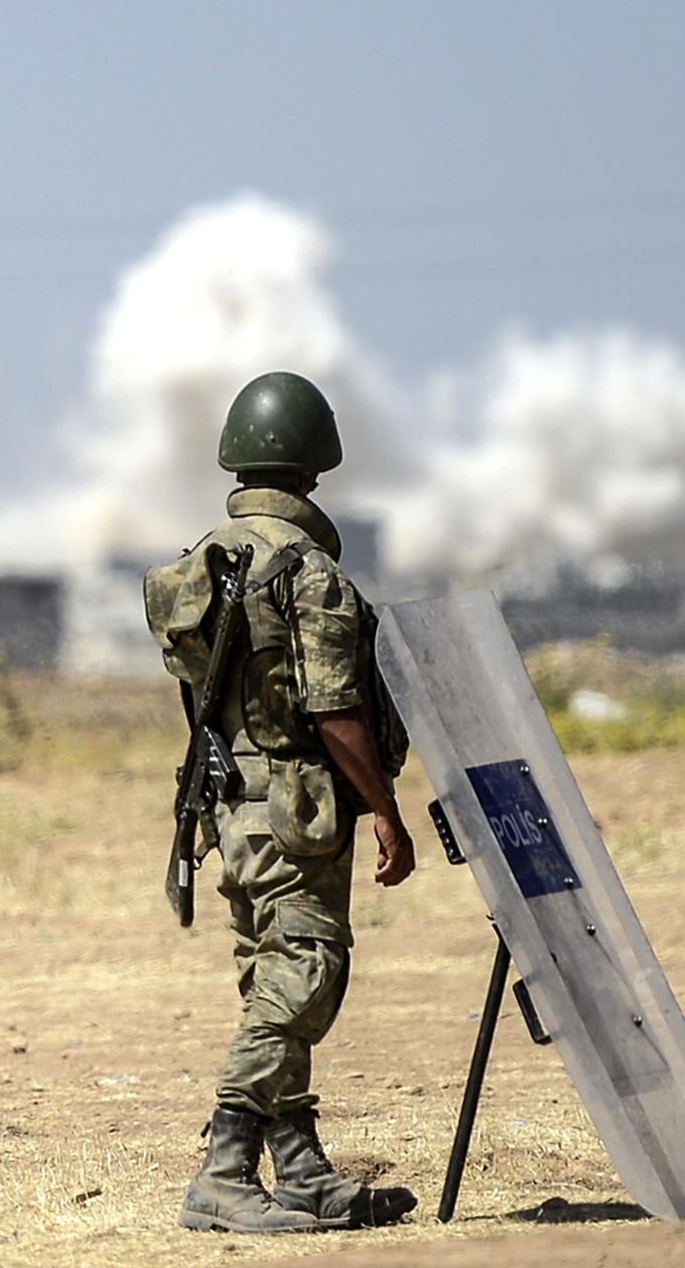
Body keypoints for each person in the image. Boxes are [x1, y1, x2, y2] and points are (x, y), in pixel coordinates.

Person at [142, 371, 419, 1234]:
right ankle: (224, 1171)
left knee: (270, 971)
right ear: (314, 466)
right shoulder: (310, 573)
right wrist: (386, 807)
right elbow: (335, 710)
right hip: (299, 808)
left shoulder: (205, 562)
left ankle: (296, 1164)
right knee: (305, 972)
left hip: (232, 805)